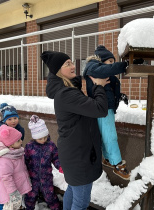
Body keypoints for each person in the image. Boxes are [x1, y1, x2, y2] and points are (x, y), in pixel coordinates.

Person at [41, 50, 109, 210]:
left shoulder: (67, 90)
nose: (73, 66)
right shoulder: (66, 93)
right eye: (68, 64)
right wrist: (99, 86)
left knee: (73, 189)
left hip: (75, 152)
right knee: (81, 201)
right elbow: (99, 109)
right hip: (79, 156)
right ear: (58, 71)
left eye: (72, 62)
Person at [83, 45, 130, 180]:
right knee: (110, 136)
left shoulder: (102, 73)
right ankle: (117, 164)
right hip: (103, 109)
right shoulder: (93, 67)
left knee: (105, 135)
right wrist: (124, 65)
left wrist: (120, 96)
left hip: (104, 108)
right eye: (110, 62)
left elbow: (109, 91)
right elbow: (106, 71)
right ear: (101, 61)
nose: (112, 66)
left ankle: (108, 159)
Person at [0, 103, 25, 210]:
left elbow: (19, 144)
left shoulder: (20, 129)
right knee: (3, 188)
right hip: (4, 161)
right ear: (4, 120)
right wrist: (1, 152)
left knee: (14, 184)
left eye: (15, 118)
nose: (13, 121)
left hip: (15, 161)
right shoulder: (0, 131)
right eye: (10, 119)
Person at [24, 115, 63, 210]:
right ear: (34, 137)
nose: (43, 140)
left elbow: (56, 158)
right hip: (32, 177)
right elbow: (25, 160)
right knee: (31, 196)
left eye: (45, 137)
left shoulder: (51, 145)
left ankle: (56, 208)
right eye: (40, 138)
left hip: (46, 177)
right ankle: (29, 208)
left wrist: (60, 166)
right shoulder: (29, 146)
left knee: (50, 196)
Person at [0, 124, 32, 210]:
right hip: (10, 193)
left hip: (18, 187)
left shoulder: (16, 153)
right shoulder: (5, 159)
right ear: (10, 145)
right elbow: (6, 177)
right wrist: (13, 192)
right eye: (18, 140)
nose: (21, 141)